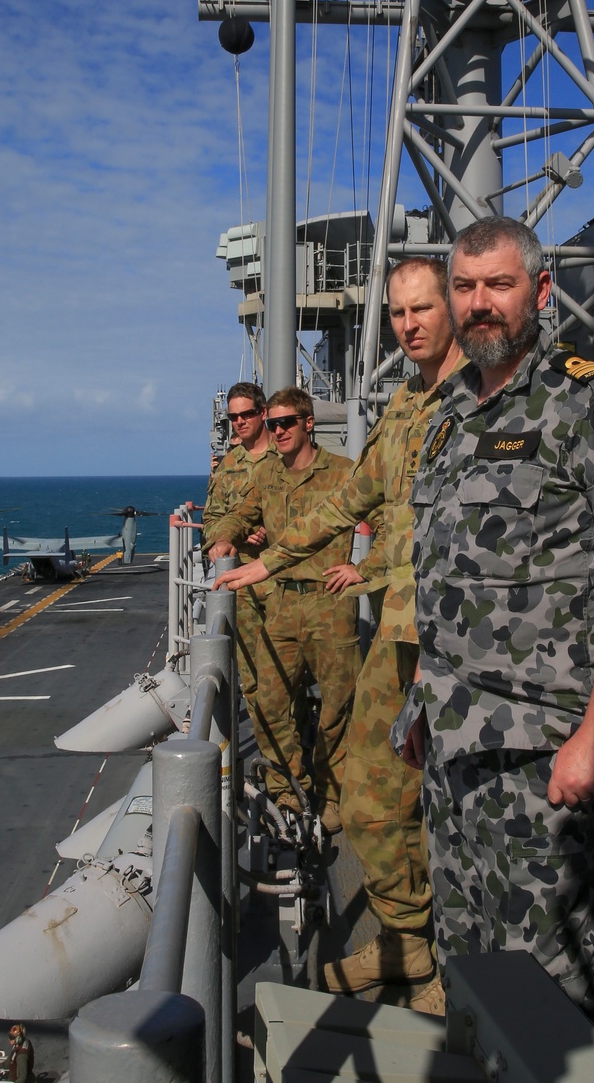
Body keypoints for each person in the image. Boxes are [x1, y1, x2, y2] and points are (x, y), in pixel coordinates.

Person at [393, 217, 594, 1018]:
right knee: (470, 969)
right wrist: (423, 697)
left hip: (537, 755)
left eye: (499, 286)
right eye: (466, 287)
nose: (479, 304)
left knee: (549, 992)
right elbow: (442, 569)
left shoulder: (587, 403)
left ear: (540, 293)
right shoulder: (448, 415)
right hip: (453, 750)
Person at [221, 259, 464, 1012]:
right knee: (366, 798)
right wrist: (269, 562)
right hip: (399, 635)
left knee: (461, 808)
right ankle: (408, 945)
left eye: (422, 307)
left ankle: (455, 973)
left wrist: (362, 575)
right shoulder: (402, 404)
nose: (409, 323)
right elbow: (354, 498)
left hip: (464, 640)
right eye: (397, 312)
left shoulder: (485, 404)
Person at [210, 387, 371, 831]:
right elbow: (240, 515)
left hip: (329, 605)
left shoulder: (343, 473)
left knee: (339, 708)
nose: (277, 431)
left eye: (286, 423)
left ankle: (332, 794)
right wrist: (223, 538)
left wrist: (366, 567)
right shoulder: (267, 478)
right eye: (274, 424)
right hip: (279, 604)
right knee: (268, 705)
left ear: (308, 424)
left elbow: (393, 521)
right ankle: (289, 791)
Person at [202, 383, 275, 745]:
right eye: (234, 417)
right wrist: (226, 539)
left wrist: (272, 531)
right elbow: (212, 520)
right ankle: (275, 763)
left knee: (294, 676)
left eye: (247, 414)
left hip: (287, 581)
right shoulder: (228, 466)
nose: (240, 422)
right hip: (245, 590)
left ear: (263, 412)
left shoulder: (286, 455)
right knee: (256, 681)